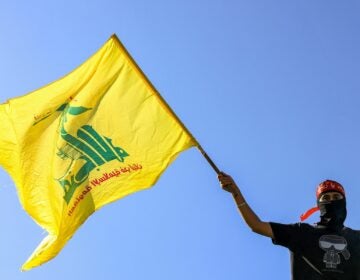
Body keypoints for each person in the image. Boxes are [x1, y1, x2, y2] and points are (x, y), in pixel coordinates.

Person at [218, 172, 360, 280]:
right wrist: (236, 193)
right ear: (319, 205)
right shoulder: (301, 233)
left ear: (344, 202)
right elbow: (256, 225)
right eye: (326, 198)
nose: (331, 201)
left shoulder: (357, 238)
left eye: (336, 197)